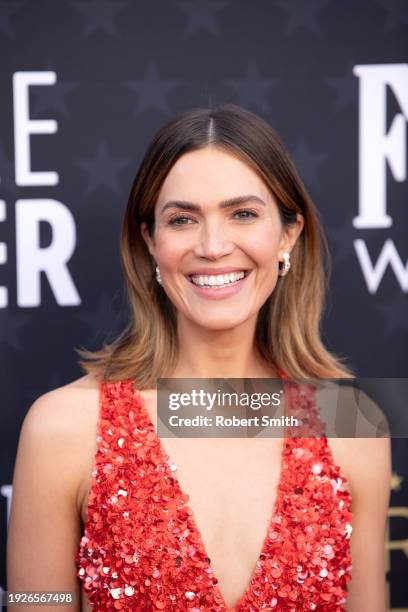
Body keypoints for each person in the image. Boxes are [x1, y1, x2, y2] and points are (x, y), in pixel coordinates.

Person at [7, 104, 391, 611]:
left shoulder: (353, 421)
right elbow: (35, 601)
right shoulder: (63, 427)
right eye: (183, 219)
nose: (212, 246)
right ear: (150, 242)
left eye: (243, 214)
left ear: (288, 234)